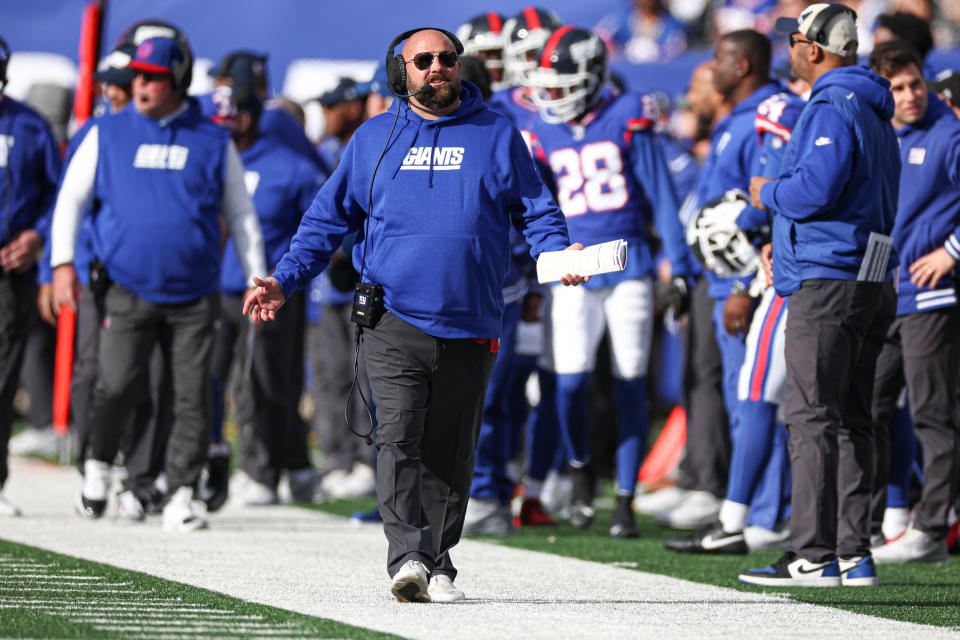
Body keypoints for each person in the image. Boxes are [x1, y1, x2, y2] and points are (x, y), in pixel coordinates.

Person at [243, 27, 584, 603]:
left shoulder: (497, 134)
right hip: (392, 316)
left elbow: (538, 211)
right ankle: (406, 557)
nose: (437, 68)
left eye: (447, 59)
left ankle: (438, 558)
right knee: (397, 436)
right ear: (400, 71)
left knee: (451, 450)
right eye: (422, 60)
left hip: (472, 317)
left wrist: (557, 254)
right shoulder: (372, 138)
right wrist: (284, 279)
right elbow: (326, 221)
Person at [50, 31, 267, 532]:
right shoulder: (107, 131)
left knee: (193, 395)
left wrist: (256, 275)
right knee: (116, 385)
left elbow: (240, 213)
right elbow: (71, 201)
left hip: (194, 295)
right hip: (126, 287)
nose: (141, 86)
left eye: (153, 78)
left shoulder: (212, 139)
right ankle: (100, 464)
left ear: (177, 80)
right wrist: (63, 263)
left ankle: (181, 494)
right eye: (138, 78)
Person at [740, 3, 900, 587]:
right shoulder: (874, 105)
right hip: (871, 273)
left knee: (810, 416)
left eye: (794, 42)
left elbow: (815, 190)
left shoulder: (833, 101)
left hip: (828, 274)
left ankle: (813, 551)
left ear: (812, 48)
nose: (789, 51)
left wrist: (766, 191)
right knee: (856, 417)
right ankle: (855, 551)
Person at [527, 25, 693, 537]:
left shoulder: (628, 114)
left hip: (630, 264)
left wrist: (680, 266)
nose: (552, 95)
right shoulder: (543, 129)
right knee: (571, 382)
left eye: (563, 83)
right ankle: (580, 471)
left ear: (594, 76)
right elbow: (534, 207)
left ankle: (622, 499)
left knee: (629, 383)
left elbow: (662, 194)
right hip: (574, 266)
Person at [658, 30, 783, 531]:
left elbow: (759, 205)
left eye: (719, 60)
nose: (712, 69)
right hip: (718, 276)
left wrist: (740, 286)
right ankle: (748, 507)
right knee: (736, 395)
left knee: (753, 397)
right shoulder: (734, 119)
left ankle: (762, 511)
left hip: (741, 280)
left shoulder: (761, 118)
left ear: (743, 65)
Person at [208, 53, 325, 506]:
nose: (227, 127)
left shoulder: (291, 165)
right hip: (215, 291)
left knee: (264, 383)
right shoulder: (212, 160)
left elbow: (321, 228)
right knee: (211, 382)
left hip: (269, 294)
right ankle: (220, 462)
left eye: (234, 118)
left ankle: (261, 471)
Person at [868, 41, 960, 565]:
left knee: (934, 414)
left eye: (916, 84)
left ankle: (931, 528)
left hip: (933, 296)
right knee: (869, 409)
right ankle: (871, 524)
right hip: (885, 295)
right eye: (898, 88)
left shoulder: (950, 134)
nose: (910, 95)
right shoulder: (883, 134)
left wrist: (950, 252)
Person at [0, 35, 62, 516]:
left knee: (2, 378)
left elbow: (58, 195)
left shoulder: (30, 126)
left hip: (8, 272)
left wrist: (37, 236)